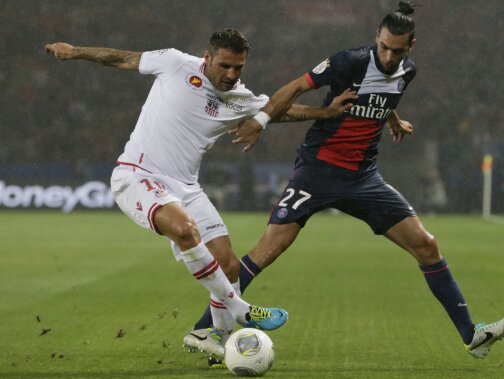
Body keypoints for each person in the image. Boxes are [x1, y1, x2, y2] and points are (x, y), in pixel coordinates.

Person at [192, 2, 504, 364]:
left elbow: (383, 94)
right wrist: (261, 121)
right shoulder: (349, 61)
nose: (390, 56)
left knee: (427, 245)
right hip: (317, 171)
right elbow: (296, 87)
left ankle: (472, 335)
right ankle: (208, 328)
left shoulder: (407, 71)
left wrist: (393, 119)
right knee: (266, 252)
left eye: (398, 50)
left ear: (412, 45)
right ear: (377, 36)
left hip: (364, 178)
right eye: (385, 47)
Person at [45, 28, 355, 359]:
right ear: (207, 58)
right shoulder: (176, 63)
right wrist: (75, 50)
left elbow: (280, 111)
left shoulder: (241, 97)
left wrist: (326, 112)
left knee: (229, 265)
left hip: (186, 187)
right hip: (137, 175)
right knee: (184, 230)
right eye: (224, 66)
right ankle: (240, 309)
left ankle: (211, 337)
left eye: (238, 68)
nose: (231, 74)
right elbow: (124, 58)